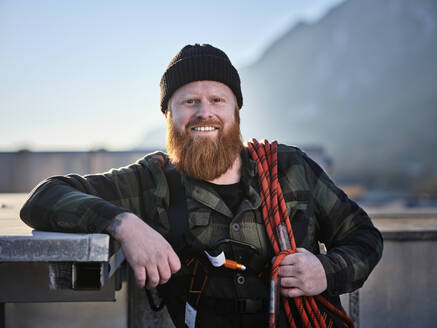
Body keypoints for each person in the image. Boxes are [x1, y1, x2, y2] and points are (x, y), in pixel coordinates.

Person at [20, 44, 383, 328]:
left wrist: (326, 270)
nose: (204, 113)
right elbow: (45, 197)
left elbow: (364, 236)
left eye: (217, 100)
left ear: (236, 112)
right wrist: (125, 226)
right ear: (169, 116)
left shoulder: (290, 168)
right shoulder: (151, 182)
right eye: (189, 102)